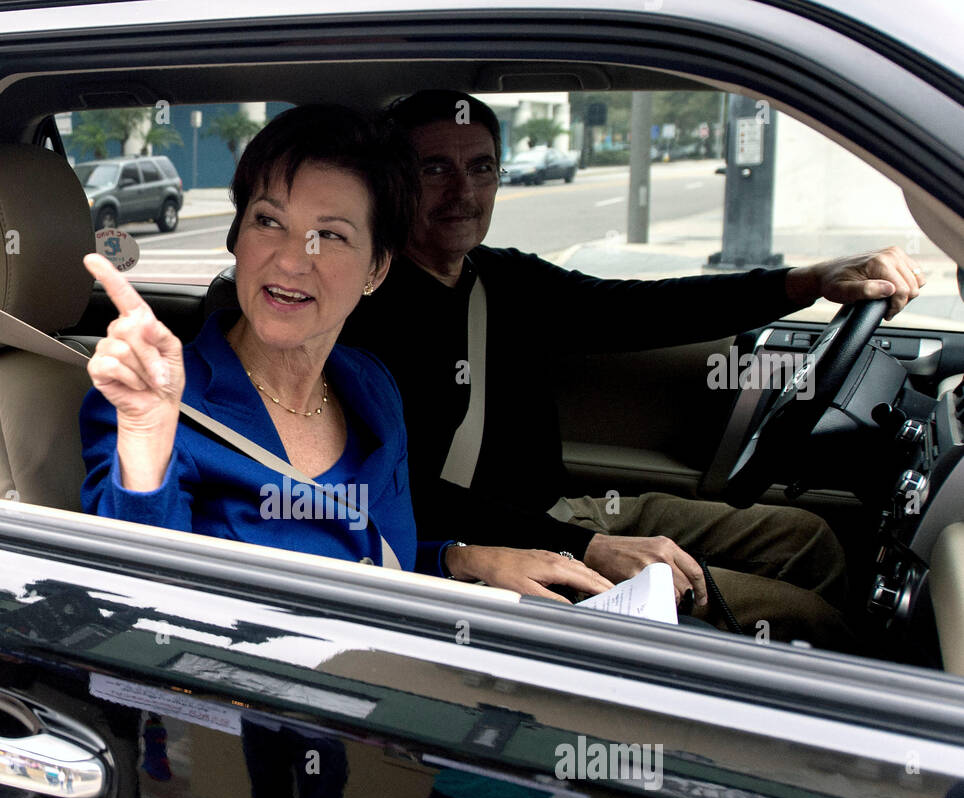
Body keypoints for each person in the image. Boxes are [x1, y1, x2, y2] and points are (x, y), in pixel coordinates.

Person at [79, 104, 611, 798]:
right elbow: (142, 618)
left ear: (375, 269)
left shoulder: (370, 387)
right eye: (269, 221)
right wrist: (148, 431)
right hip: (269, 738)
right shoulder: (161, 400)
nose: (293, 258)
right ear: (236, 238)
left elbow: (376, 565)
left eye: (332, 233)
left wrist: (463, 559)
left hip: (396, 704)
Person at [341, 90, 928, 647]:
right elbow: (409, 493)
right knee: (810, 620)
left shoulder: (499, 276)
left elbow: (641, 310)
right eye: (435, 169)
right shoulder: (366, 313)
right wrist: (588, 547)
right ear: (395, 184)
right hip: (493, 550)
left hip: (561, 513)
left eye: (482, 168)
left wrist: (808, 282)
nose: (463, 192)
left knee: (808, 542)